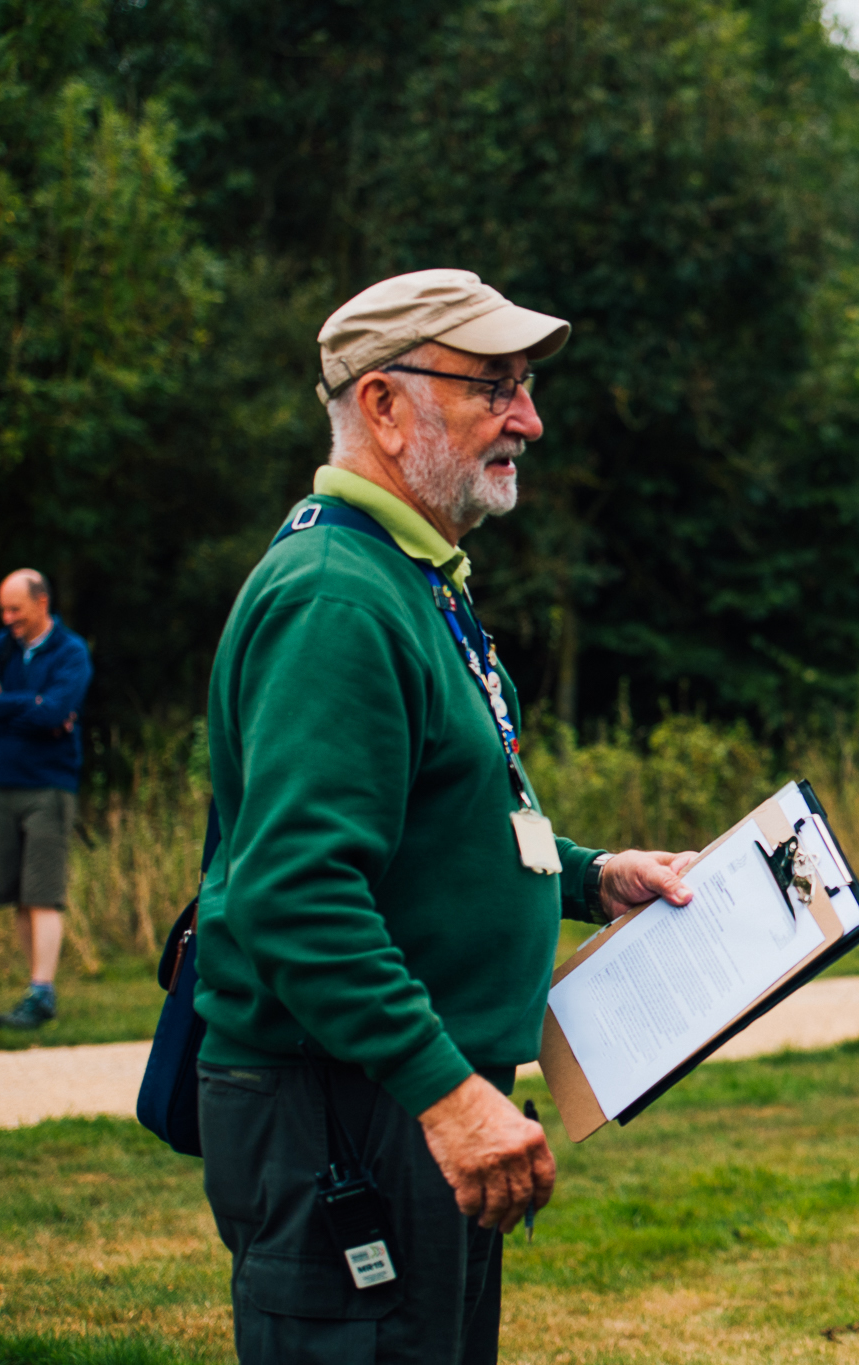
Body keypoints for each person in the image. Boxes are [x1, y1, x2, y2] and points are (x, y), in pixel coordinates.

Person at [194, 269, 698, 1365]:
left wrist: (586, 875)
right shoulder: (337, 596)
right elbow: (297, 892)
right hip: (355, 1103)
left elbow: (439, 817)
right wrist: (446, 1094)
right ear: (383, 406)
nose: (530, 419)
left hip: (400, 1093)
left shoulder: (413, 577)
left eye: (524, 387)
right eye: (494, 388)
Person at [0, 568, 92, 1030]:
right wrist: (30, 706)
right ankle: (32, 989)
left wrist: (8, 706)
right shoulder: (4, 647)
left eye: (15, 608)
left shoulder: (70, 652)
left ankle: (43, 991)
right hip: (3, 783)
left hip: (48, 786)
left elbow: (57, 710)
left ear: (42, 604)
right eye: (3, 609)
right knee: (17, 894)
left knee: (43, 894)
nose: (7, 617)